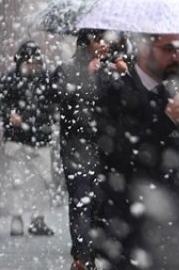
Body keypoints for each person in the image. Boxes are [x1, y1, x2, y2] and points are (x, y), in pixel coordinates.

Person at [93, 33, 179, 270]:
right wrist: (165, 122)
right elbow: (117, 155)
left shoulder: (173, 93)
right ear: (145, 49)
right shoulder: (115, 93)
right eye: (168, 49)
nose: (176, 57)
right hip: (129, 234)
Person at [53, 29, 126, 268]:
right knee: (81, 203)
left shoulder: (109, 69)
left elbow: (122, 104)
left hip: (106, 149)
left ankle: (100, 254)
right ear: (85, 44)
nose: (105, 44)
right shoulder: (66, 69)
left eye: (106, 40)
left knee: (104, 204)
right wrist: (85, 76)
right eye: (98, 40)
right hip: (77, 149)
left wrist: (124, 75)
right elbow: (57, 98)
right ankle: (83, 257)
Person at [0, 40, 59, 237]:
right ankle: (17, 217)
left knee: (43, 181)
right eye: (28, 62)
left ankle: (38, 219)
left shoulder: (47, 80)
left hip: (40, 140)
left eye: (35, 62)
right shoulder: (9, 80)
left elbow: (56, 105)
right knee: (16, 182)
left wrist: (45, 118)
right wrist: (9, 114)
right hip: (17, 140)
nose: (31, 66)